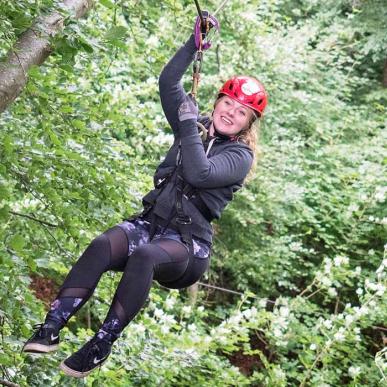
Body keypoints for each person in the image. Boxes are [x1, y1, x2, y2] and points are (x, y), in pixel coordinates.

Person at [22, 12, 267, 378]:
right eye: (227, 103)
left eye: (241, 112)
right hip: (149, 225)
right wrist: (192, 46)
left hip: (186, 247)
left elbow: (200, 174)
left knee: (145, 257)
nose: (231, 113)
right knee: (103, 244)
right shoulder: (195, 123)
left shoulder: (239, 156)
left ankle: (100, 343)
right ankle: (50, 328)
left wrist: (187, 124)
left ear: (248, 123)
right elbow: (169, 82)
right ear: (217, 101)